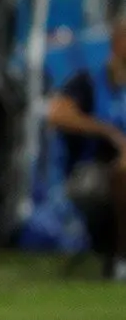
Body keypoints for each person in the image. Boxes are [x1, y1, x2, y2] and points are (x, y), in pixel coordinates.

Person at [47, 17, 126, 280]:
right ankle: (120, 257)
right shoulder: (87, 81)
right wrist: (107, 131)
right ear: (117, 41)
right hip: (90, 170)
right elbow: (57, 114)